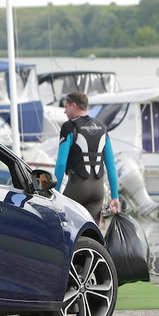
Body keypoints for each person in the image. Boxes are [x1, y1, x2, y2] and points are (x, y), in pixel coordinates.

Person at [53, 91, 120, 222]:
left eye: (66, 107)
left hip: (78, 187)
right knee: (91, 234)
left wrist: (54, 192)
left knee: (66, 229)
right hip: (98, 191)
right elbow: (111, 166)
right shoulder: (102, 128)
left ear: (73, 105)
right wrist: (115, 197)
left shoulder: (69, 127)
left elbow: (61, 164)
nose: (65, 112)